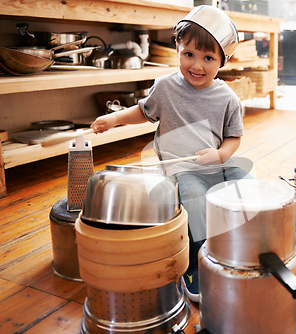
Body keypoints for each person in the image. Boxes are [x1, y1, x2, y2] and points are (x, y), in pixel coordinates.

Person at [90, 6, 251, 303]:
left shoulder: (228, 98)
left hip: (217, 161)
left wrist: (219, 155)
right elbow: (143, 111)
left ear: (222, 61)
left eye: (208, 58)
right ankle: (196, 261)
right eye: (189, 54)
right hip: (183, 169)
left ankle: (246, 244)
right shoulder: (165, 88)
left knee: (247, 184)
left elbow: (233, 139)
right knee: (192, 195)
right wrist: (113, 119)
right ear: (178, 47)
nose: (197, 66)